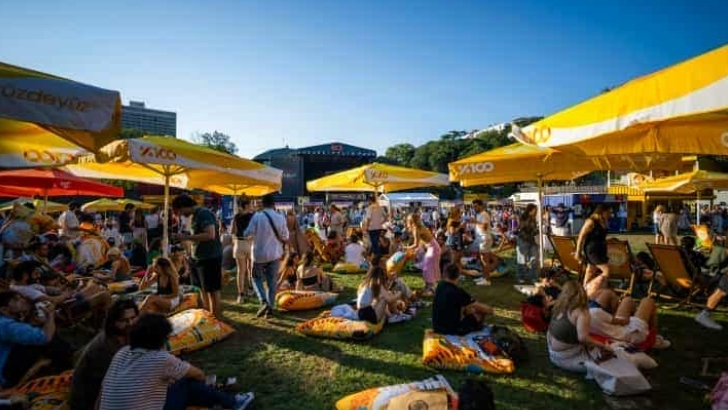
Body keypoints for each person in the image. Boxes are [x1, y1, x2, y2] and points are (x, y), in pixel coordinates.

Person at [98, 314, 254, 410]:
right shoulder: (159, 358)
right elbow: (199, 375)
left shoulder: (122, 353)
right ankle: (233, 402)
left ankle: (217, 399)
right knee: (187, 382)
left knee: (178, 382)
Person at [68, 299, 139, 410]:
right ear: (113, 321)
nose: (130, 323)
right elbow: (112, 387)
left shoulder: (123, 334)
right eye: (124, 320)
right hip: (89, 401)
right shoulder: (106, 348)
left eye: (133, 318)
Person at [0, 290, 74, 388]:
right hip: (6, 374)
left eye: (20, 297)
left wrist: (43, 322)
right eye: (16, 300)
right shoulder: (5, 325)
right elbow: (45, 337)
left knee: (42, 333)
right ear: (4, 310)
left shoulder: (5, 321)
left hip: (7, 366)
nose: (23, 300)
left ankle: (66, 362)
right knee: (46, 340)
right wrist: (50, 315)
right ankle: (67, 368)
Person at [172, 195, 223, 319]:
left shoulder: (203, 213)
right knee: (203, 290)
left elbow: (210, 234)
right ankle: (208, 318)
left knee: (212, 290)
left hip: (210, 257)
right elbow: (199, 235)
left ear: (184, 206)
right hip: (199, 258)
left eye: (180, 211)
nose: (180, 214)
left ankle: (215, 319)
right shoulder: (196, 215)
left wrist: (187, 237)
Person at [546, 281, 612, 373]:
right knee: (609, 363)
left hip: (552, 352)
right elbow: (583, 338)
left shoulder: (559, 306)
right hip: (566, 358)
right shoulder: (582, 312)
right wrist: (603, 346)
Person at [244, 194, 289, 318]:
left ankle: (263, 300)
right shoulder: (280, 217)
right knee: (271, 282)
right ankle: (270, 309)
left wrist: (251, 236)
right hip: (275, 254)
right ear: (273, 204)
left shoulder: (257, 216)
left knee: (255, 278)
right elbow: (286, 236)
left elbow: (247, 233)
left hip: (259, 254)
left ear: (262, 204)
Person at [588, 284, 670, 349]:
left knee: (627, 300)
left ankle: (642, 321)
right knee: (648, 301)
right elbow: (624, 322)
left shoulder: (583, 316)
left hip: (615, 330)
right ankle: (653, 340)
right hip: (629, 335)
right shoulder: (595, 312)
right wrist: (630, 319)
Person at [432, 264, 493, 335]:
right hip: (452, 330)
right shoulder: (458, 292)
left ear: (444, 274)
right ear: (458, 276)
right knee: (479, 312)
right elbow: (488, 310)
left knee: (467, 307)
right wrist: (489, 309)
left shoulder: (440, 285)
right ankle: (476, 328)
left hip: (437, 327)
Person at [575, 205, 611, 286]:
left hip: (600, 250)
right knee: (606, 271)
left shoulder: (603, 221)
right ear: (602, 212)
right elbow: (581, 237)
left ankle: (584, 290)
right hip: (592, 251)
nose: (610, 214)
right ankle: (596, 287)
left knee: (590, 272)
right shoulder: (591, 222)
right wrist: (578, 253)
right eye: (608, 212)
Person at [406, 213, 441, 293]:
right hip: (434, 247)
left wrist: (406, 248)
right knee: (431, 267)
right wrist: (415, 250)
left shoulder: (416, 229)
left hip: (433, 249)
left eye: (408, 220)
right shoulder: (420, 227)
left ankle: (430, 288)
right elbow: (421, 242)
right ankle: (433, 286)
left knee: (427, 268)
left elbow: (416, 244)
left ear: (411, 221)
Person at [231, 198, 254, 304]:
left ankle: (240, 295)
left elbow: (233, 231)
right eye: (251, 204)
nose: (252, 205)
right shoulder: (253, 216)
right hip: (250, 243)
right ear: (247, 206)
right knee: (250, 268)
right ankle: (250, 288)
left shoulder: (236, 216)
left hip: (239, 244)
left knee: (241, 271)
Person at [472, 200, 494, 285]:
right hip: (481, 239)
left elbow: (484, 227)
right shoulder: (479, 214)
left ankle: (487, 280)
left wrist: (475, 222)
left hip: (484, 239)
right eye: (474, 206)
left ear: (481, 206)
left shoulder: (484, 214)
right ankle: (484, 277)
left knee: (485, 260)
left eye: (476, 206)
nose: (474, 208)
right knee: (482, 260)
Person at [516, 204, 539, 284]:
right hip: (523, 240)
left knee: (535, 259)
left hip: (532, 241)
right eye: (535, 210)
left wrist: (537, 231)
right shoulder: (523, 217)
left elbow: (534, 230)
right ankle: (521, 276)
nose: (536, 211)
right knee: (522, 259)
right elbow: (522, 227)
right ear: (530, 210)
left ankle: (533, 277)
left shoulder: (533, 218)